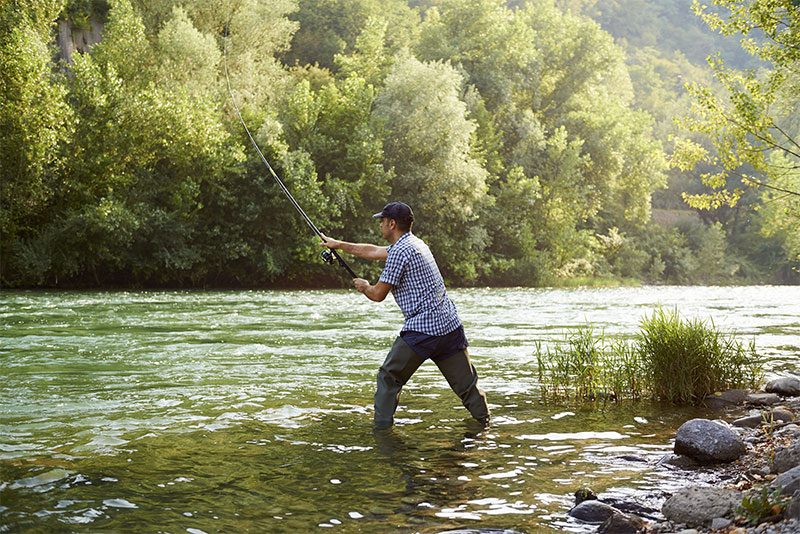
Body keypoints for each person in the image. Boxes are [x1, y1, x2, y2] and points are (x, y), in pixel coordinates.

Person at [321, 201, 490, 430]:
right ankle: (486, 428)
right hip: (450, 326)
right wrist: (338, 245)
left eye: (382, 220)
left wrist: (364, 286)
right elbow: (371, 251)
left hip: (423, 330)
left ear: (392, 224)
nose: (380, 224)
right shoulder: (415, 244)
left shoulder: (400, 252)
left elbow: (378, 295)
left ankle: (382, 433)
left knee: (388, 377)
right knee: (467, 386)